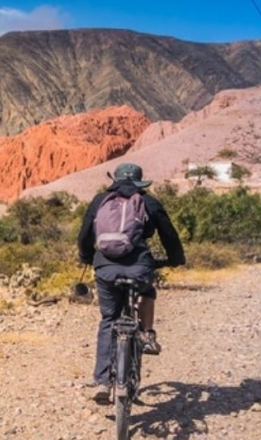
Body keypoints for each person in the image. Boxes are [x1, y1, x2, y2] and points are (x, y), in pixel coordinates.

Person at [77, 163, 185, 403]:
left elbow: (84, 234)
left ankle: (103, 382)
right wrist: (176, 258)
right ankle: (147, 334)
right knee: (147, 290)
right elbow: (169, 234)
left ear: (114, 180)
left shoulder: (100, 200)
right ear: (139, 182)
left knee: (109, 319)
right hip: (139, 266)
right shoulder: (148, 202)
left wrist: (86, 256)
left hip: (105, 267)